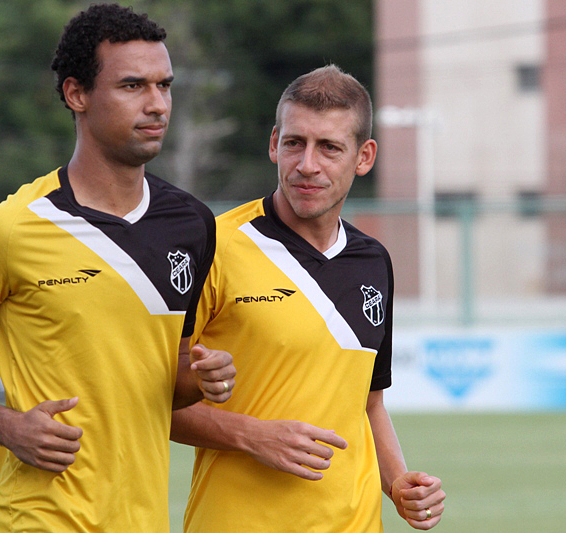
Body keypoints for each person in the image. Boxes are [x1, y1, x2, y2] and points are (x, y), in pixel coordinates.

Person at [0, 4, 235, 532]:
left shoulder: (191, 223)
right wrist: (7, 426)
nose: (157, 104)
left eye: (165, 86)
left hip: (142, 521)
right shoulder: (5, 230)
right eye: (133, 86)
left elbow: (169, 384)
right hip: (37, 520)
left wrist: (205, 378)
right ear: (77, 94)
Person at [171, 64, 445, 532]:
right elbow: (151, 401)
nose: (307, 165)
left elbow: (369, 402)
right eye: (295, 143)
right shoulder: (212, 246)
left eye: (330, 148)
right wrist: (253, 435)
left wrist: (398, 482)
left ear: (364, 157)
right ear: (275, 143)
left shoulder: (373, 261)